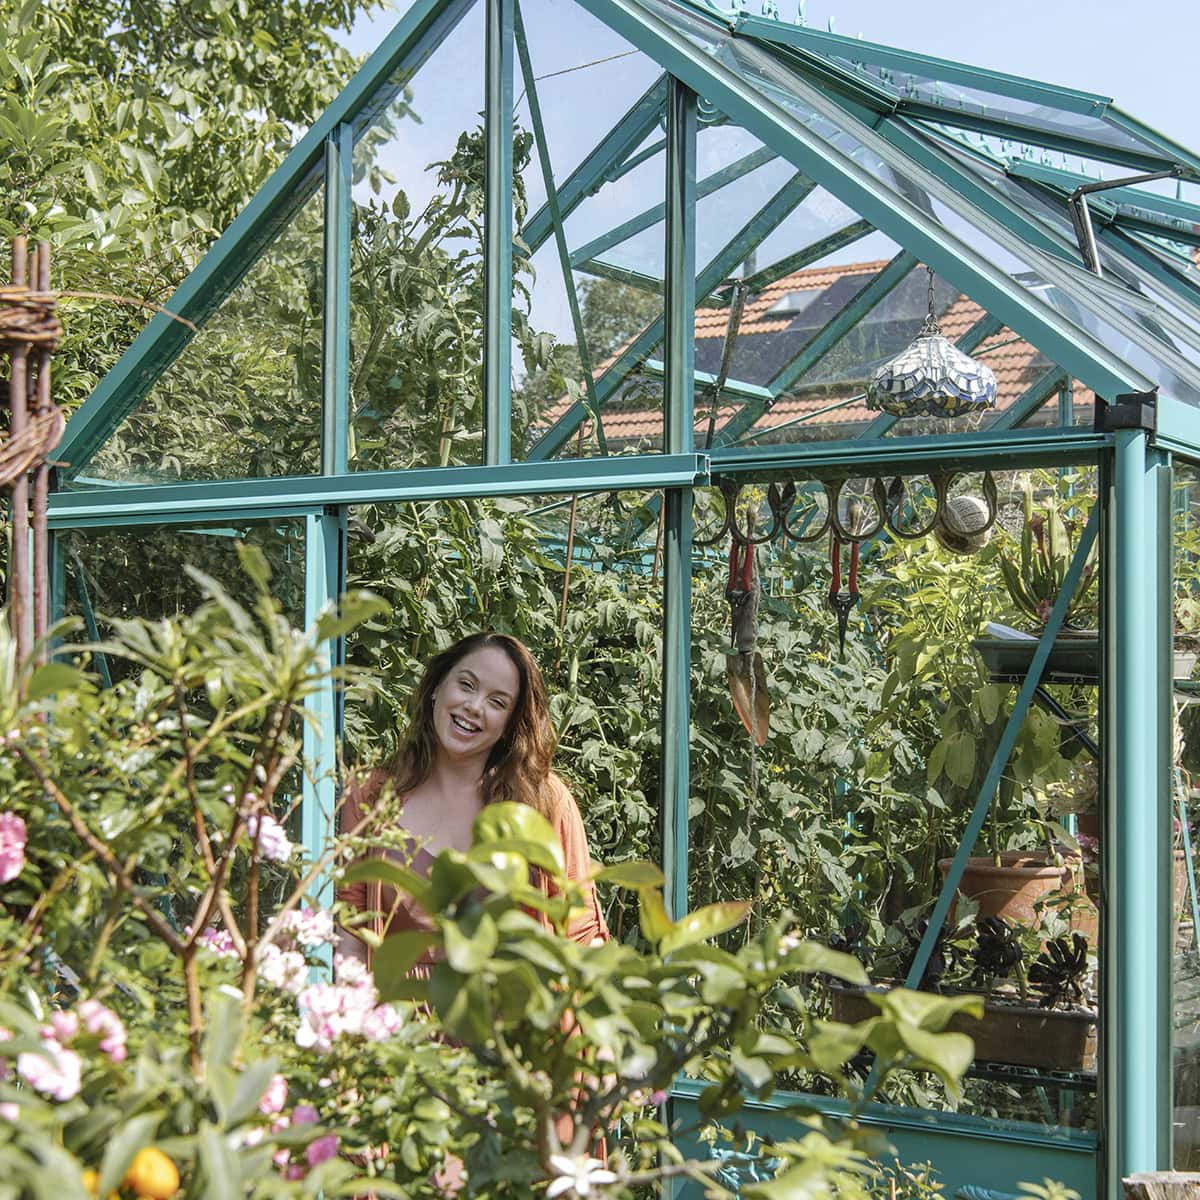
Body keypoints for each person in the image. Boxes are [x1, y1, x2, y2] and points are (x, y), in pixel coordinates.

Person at [337, 631, 608, 970]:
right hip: (395, 1003)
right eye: (466, 685)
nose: (474, 707)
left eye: (497, 702)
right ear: (437, 687)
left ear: (510, 723)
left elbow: (581, 932)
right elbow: (351, 927)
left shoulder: (544, 802)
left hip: (510, 1003)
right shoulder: (372, 795)